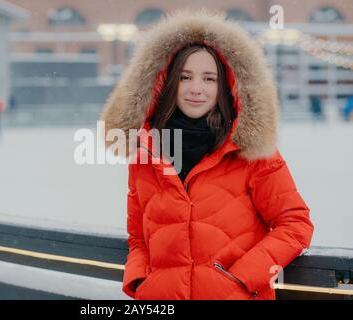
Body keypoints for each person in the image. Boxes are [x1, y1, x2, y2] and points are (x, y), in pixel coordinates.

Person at [100, 9, 314, 300]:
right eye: (185, 77)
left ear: (225, 87)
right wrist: (140, 282)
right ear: (167, 83)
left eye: (209, 79)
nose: (196, 89)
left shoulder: (251, 154)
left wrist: (241, 279)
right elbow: (139, 237)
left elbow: (295, 224)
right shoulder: (145, 156)